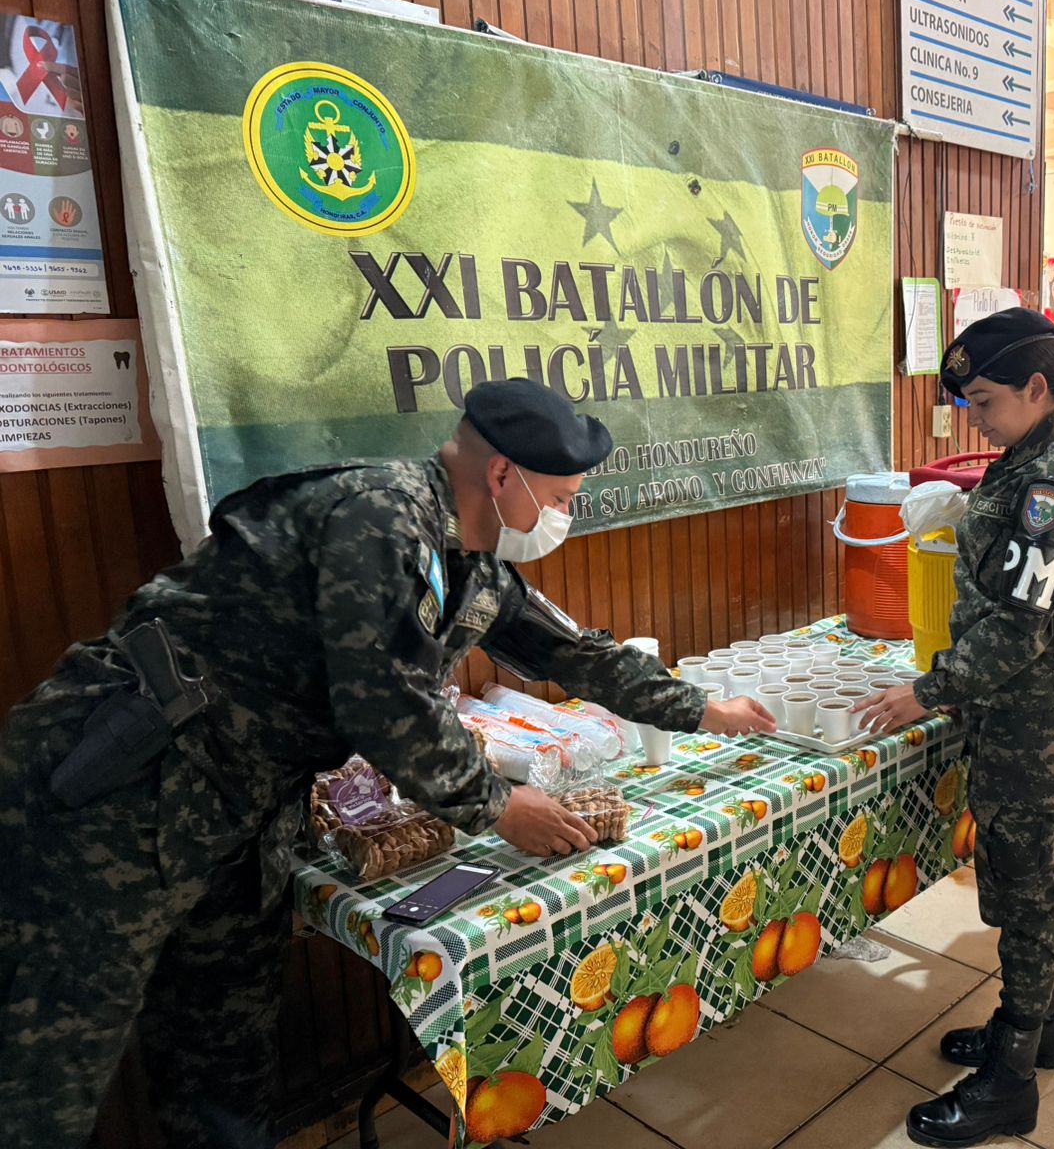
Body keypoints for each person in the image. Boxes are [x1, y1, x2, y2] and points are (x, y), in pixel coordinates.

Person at [0, 378, 775, 1148]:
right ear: (502, 475)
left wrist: (706, 710)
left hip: (245, 801)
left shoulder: (473, 566)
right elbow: (383, 703)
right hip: (123, 785)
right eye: (561, 497)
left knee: (221, 1043)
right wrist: (500, 807)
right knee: (46, 1069)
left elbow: (576, 653)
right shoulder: (377, 516)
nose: (565, 516)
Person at [854, 308, 1054, 1148]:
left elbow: (1020, 624)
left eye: (984, 402)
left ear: (1037, 388)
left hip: (1032, 717)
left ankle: (1010, 1083)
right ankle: (1033, 1027)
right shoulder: (1030, 460)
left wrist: (931, 690)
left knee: (1027, 892)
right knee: (1032, 880)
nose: (974, 419)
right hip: (1024, 708)